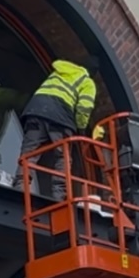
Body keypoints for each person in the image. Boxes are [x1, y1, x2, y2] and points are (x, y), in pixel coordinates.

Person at [16, 58, 98, 198]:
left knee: (29, 152)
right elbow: (84, 107)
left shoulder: (59, 72)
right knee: (62, 156)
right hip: (59, 117)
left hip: (35, 111)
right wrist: (81, 128)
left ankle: (19, 186)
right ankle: (60, 194)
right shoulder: (87, 81)